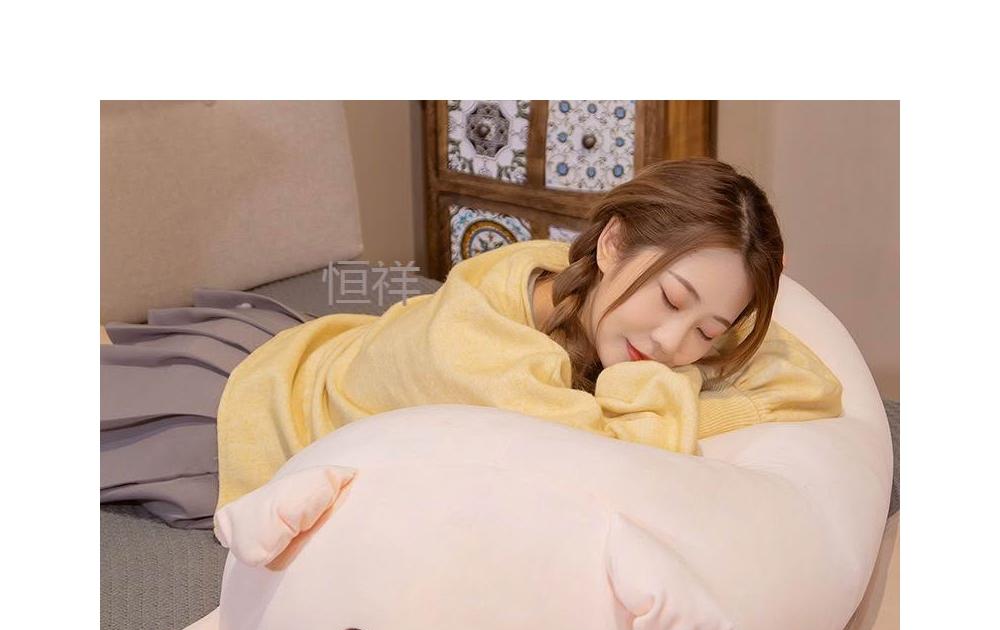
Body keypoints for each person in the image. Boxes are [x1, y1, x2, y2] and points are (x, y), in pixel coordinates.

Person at [100, 157, 841, 529]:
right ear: (614, 243)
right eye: (672, 299)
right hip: (236, 416)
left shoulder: (561, 277)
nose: (676, 342)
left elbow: (812, 383)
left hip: (304, 350)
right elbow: (624, 459)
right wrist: (676, 387)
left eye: (709, 332)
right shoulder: (489, 355)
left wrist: (717, 325)